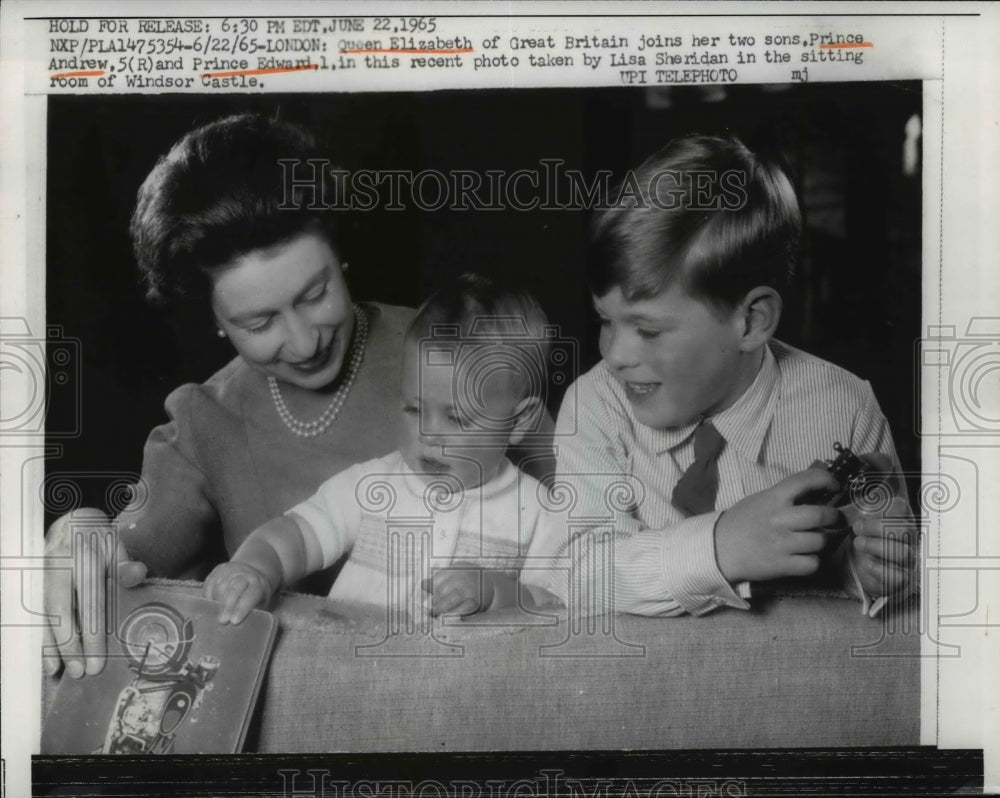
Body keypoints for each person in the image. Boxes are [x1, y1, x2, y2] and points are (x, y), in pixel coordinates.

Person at [42, 113, 552, 678]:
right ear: (213, 318)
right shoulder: (201, 419)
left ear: (339, 252)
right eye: (259, 322)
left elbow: (588, 544)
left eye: (316, 292)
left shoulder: (455, 359)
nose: (306, 341)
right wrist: (80, 527)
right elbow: (123, 560)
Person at [542, 135, 918, 619]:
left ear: (751, 322)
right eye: (605, 321)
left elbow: (900, 586)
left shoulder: (846, 405)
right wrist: (720, 546)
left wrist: (873, 572)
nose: (614, 353)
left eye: (648, 330)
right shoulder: (595, 403)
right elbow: (574, 572)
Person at [204, 274, 559, 623]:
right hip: (349, 666)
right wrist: (254, 568)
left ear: (519, 421)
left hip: (460, 680)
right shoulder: (374, 484)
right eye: (414, 409)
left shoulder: (536, 513)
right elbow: (294, 535)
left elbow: (553, 605)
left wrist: (494, 592)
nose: (428, 434)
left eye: (457, 418)